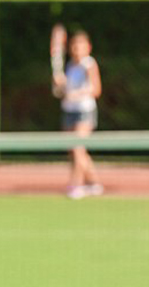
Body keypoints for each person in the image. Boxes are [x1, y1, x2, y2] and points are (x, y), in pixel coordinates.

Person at [51, 29, 103, 199]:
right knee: (73, 151)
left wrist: (77, 93)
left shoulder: (89, 64)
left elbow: (96, 89)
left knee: (78, 148)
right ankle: (95, 183)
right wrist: (60, 86)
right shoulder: (69, 66)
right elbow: (63, 91)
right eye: (74, 45)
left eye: (80, 45)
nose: (76, 49)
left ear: (88, 47)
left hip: (84, 112)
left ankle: (76, 185)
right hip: (69, 111)